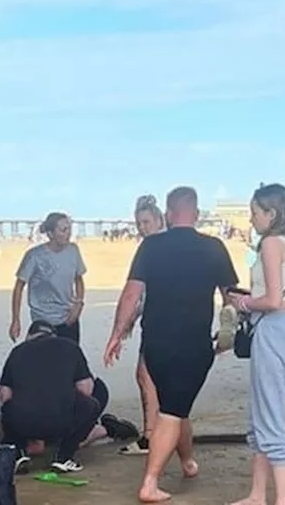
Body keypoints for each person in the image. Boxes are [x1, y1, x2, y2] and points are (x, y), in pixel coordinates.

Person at [103, 186, 240, 503]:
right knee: (173, 410)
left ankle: (188, 461)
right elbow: (231, 298)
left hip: (155, 345)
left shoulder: (151, 247)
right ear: (196, 213)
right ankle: (149, 483)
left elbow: (130, 294)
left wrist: (116, 334)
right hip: (193, 345)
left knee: (175, 405)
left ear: (168, 213)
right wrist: (229, 332)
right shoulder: (214, 247)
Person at [225, 184, 285, 505]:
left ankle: (282, 499)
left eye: (254, 214)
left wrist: (244, 302)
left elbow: (273, 300)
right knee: (266, 413)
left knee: (270, 418)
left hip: (272, 331)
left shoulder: (272, 243)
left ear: (271, 214)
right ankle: (258, 494)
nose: (252, 220)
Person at [0, 320, 110, 473]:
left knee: (8, 409)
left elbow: (5, 396)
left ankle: (18, 453)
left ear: (29, 336)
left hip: (23, 424)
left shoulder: (17, 351)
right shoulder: (70, 346)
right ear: (53, 334)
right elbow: (86, 389)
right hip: (60, 422)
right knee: (91, 405)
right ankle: (64, 457)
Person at [121, 195, 167, 457]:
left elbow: (138, 291)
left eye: (146, 222)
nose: (142, 228)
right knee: (153, 378)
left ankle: (150, 436)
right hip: (155, 319)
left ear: (159, 219)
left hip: (158, 324)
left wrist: (124, 322)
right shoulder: (158, 246)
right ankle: (158, 432)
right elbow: (147, 293)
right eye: (139, 223)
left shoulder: (154, 248)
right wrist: (133, 316)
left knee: (145, 375)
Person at [10, 212, 88, 343]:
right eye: (63, 230)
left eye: (69, 228)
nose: (68, 233)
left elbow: (79, 279)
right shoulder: (34, 256)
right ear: (51, 234)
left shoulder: (73, 250)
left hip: (69, 319)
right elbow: (19, 287)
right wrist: (15, 320)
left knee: (70, 359)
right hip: (42, 321)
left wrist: (79, 304)